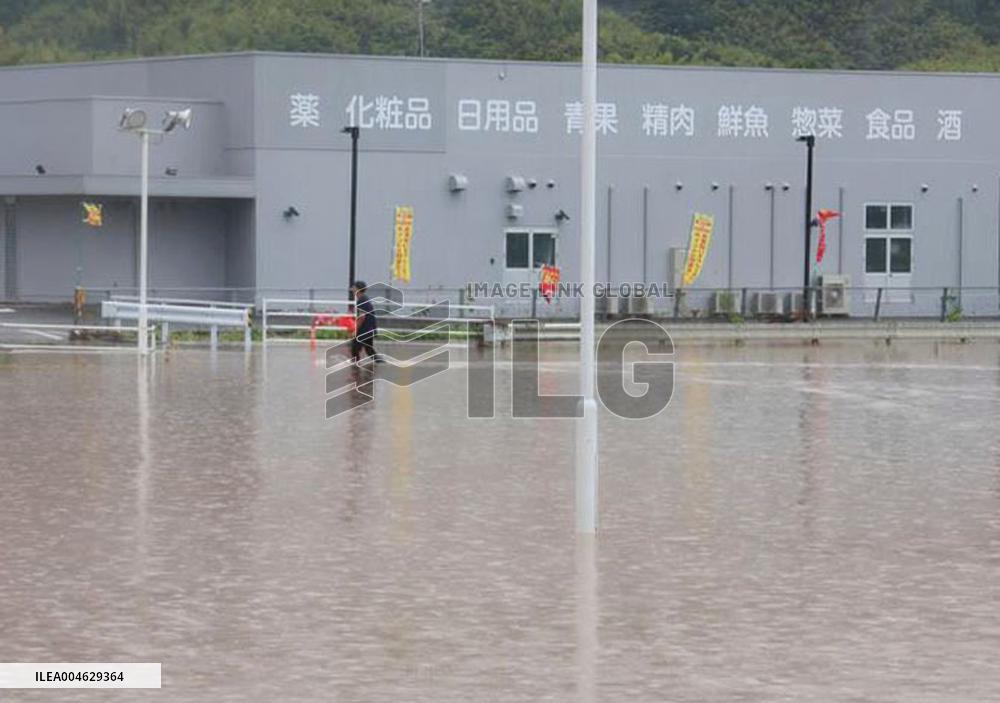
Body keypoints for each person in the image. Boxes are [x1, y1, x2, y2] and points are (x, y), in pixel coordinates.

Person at [349, 281, 379, 364]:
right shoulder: (364, 299)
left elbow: (361, 317)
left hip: (365, 330)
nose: (352, 289)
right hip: (369, 329)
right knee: (369, 350)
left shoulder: (361, 301)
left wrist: (355, 330)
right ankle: (382, 363)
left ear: (358, 289)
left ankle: (355, 366)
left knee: (355, 348)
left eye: (354, 287)